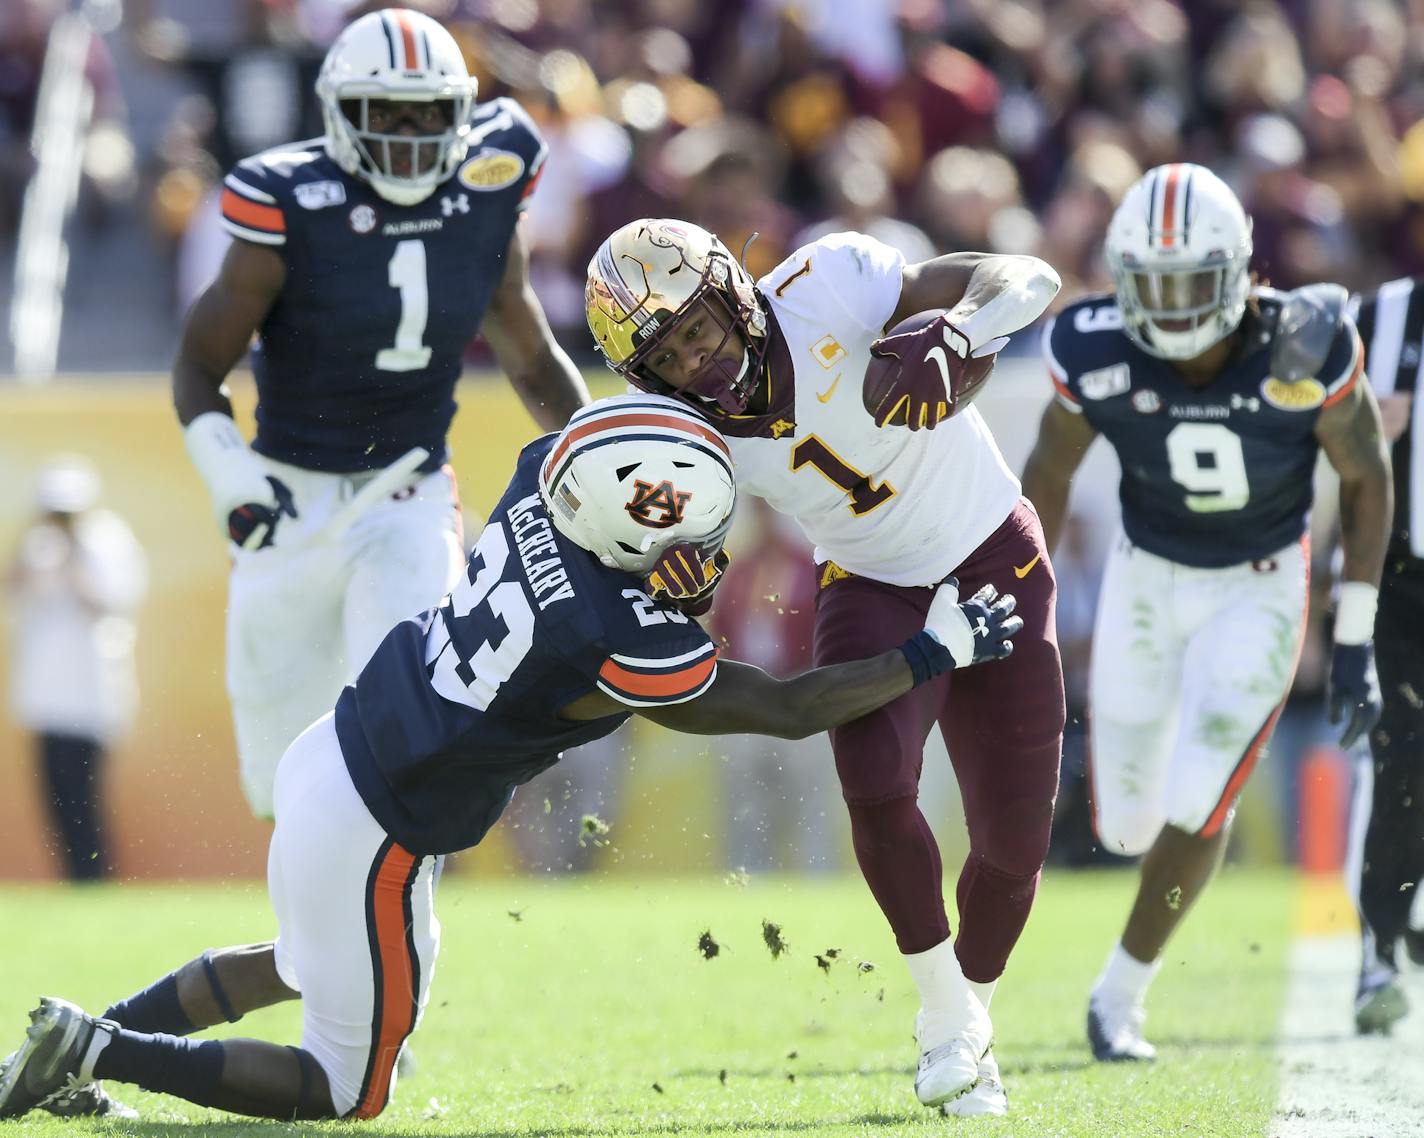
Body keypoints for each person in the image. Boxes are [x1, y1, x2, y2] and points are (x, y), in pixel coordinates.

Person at [0, 394, 1024, 1123]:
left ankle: (54, 1059)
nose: (702, 560)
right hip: (379, 826)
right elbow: (792, 707)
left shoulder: (545, 477)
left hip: (342, 748)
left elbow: (592, 441)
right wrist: (936, 648)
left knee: (302, 962)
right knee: (349, 1088)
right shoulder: (616, 635)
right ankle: (99, 1048)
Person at [585, 217, 1065, 1117]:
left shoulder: (829, 282)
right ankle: (940, 1012)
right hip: (871, 577)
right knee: (876, 784)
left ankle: (968, 1025)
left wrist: (962, 329)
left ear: (732, 294)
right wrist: (678, 575)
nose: (696, 362)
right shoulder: (684, 436)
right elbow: (669, 562)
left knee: (1015, 836)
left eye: (698, 329)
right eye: (671, 356)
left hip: (993, 550)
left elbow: (1027, 275)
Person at [173, 8, 590, 821]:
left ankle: (400, 933)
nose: (406, 133)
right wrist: (230, 471)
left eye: (427, 112)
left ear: (460, 113)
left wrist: (597, 452)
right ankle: (320, 938)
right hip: (290, 499)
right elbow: (197, 364)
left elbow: (530, 350)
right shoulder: (288, 199)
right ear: (336, 113)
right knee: (279, 785)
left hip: (409, 490)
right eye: (383, 112)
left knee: (412, 740)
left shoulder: (490, 182)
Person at [1020, 162, 1392, 1062]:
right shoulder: (1093, 344)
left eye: (1193, 281)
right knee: (1125, 825)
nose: (1174, 306)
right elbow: (1049, 472)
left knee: (1200, 796)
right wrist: (1022, 600)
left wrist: (1353, 634)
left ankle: (1119, 1000)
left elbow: (1367, 476)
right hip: (1146, 577)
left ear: (1239, 273)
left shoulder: (1306, 340)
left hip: (1259, 585)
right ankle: (1126, 972)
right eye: (1154, 283)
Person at [6, 457, 147, 883]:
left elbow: (107, 602)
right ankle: (74, 879)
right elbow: (12, 590)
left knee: (83, 797)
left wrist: (74, 555)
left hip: (91, 696)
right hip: (45, 696)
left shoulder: (107, 541)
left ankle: (93, 876)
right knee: (55, 799)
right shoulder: (37, 546)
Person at [1347, 274, 1424, 1034]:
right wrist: (1362, 427)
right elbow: (1301, 432)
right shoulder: (1377, 316)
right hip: (1400, 580)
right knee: (1401, 757)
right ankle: (1380, 949)